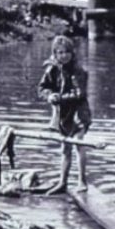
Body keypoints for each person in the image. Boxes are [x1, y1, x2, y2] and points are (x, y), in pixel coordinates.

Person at [38, 35, 92, 195]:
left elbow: (79, 93)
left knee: (79, 144)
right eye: (60, 53)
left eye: (67, 52)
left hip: (79, 113)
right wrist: (49, 95)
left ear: (72, 53)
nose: (64, 55)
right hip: (63, 115)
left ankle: (82, 181)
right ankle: (63, 181)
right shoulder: (52, 69)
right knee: (64, 148)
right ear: (55, 54)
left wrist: (59, 98)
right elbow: (42, 88)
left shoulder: (78, 70)